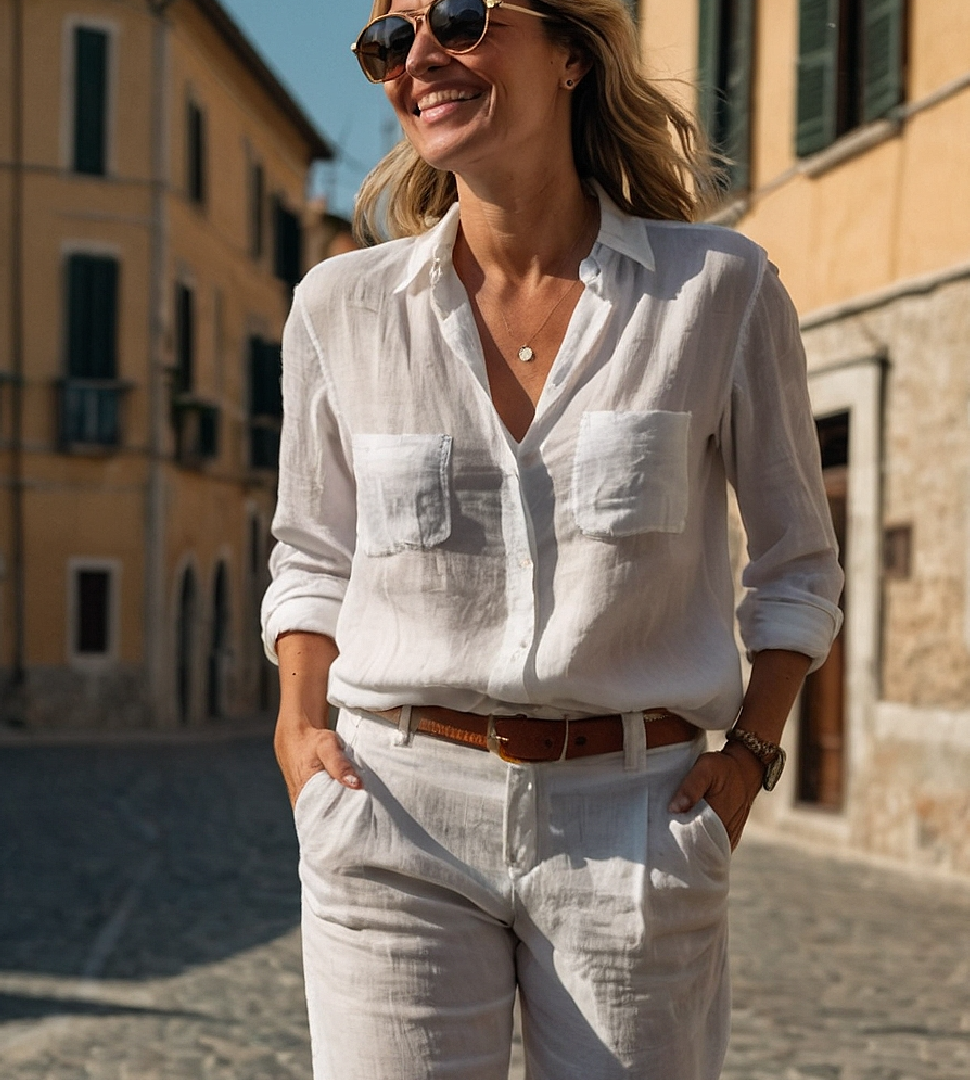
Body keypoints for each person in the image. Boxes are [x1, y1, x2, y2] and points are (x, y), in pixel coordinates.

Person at [262, 0, 843, 1077]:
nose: (420, 58)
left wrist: (748, 760)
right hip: (392, 814)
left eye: (459, 18)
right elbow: (311, 553)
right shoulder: (340, 307)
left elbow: (798, 564)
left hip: (635, 817)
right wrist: (300, 732)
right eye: (388, 42)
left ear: (574, 51)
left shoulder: (718, 291)